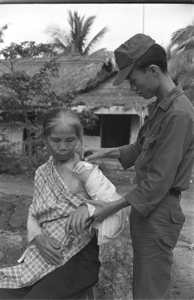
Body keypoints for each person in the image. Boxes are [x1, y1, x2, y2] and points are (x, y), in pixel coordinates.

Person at [65, 33, 194, 300]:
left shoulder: (178, 114)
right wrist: (104, 152)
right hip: (149, 211)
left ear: (153, 70)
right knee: (145, 288)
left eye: (133, 81)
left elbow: (157, 183)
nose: (133, 89)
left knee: (150, 293)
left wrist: (106, 208)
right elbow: (139, 149)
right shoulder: (161, 108)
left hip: (158, 210)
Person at [0, 107, 126, 300]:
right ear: (45, 140)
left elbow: (116, 208)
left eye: (70, 140)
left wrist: (88, 207)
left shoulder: (85, 171)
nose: (63, 146)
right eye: (55, 140)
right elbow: (34, 211)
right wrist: (38, 238)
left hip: (79, 258)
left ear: (78, 139)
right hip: (43, 254)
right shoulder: (42, 172)